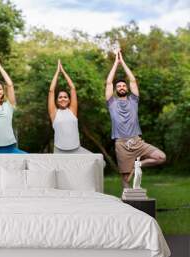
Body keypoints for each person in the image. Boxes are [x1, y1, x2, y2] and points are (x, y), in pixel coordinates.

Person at [105, 50, 166, 188]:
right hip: (121, 144)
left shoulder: (133, 100)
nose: (121, 87)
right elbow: (109, 82)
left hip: (137, 141)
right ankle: (127, 204)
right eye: (118, 86)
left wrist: (123, 62)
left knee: (160, 157)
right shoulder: (112, 103)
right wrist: (116, 62)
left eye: (123, 85)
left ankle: (138, 164)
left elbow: (133, 80)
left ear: (126, 88)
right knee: (126, 179)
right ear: (116, 90)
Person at [48, 60, 91, 154]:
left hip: (76, 149)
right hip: (59, 150)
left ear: (69, 100)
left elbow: (72, 88)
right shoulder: (54, 113)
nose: (63, 99)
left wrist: (63, 71)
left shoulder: (72, 110)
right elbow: (51, 91)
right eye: (60, 97)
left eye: (65, 97)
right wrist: (57, 72)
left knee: (100, 161)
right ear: (57, 100)